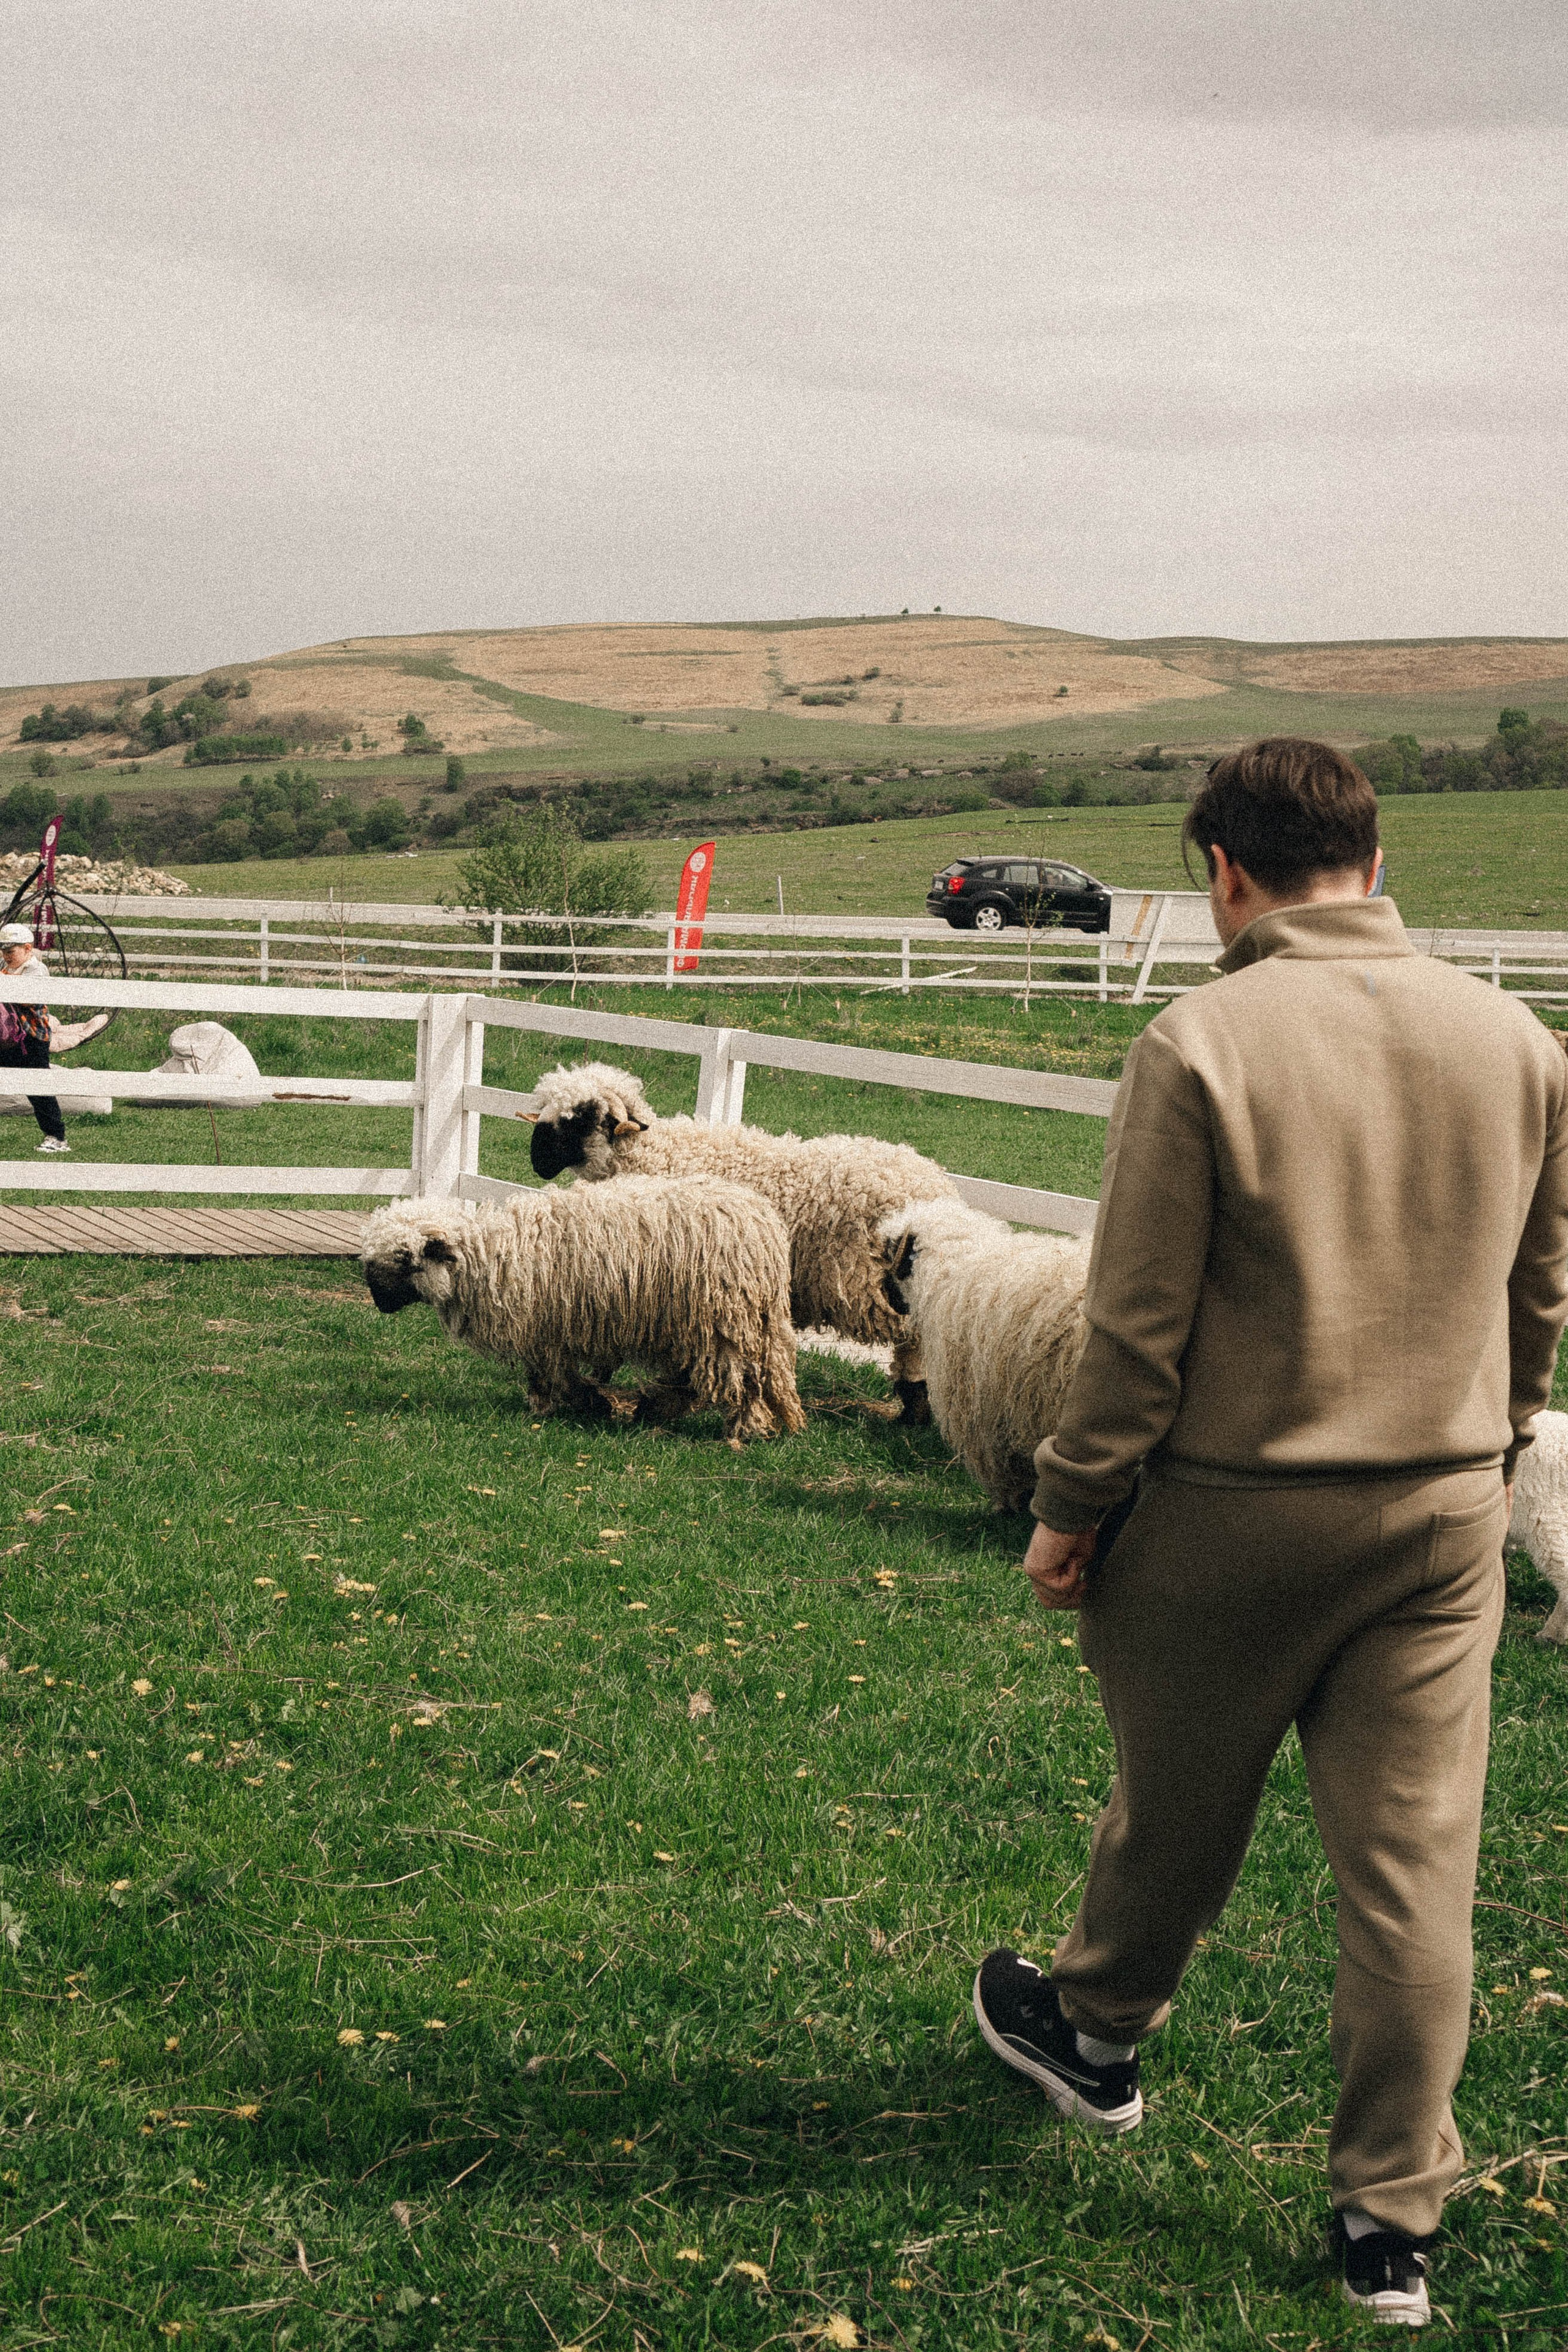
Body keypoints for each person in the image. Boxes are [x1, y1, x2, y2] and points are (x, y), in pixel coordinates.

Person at [971, 739, 1568, 2326]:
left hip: (1230, 1508)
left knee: (1176, 1806)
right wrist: (1494, 1446)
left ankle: (1093, 2036)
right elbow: (1537, 1297)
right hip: (1441, 1513)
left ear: (1223, 875)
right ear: (1373, 862)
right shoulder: (1519, 1044)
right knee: (1414, 1873)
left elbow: (1134, 1328)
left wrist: (1070, 1507)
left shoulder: (1197, 1043)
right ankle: (1389, 2227)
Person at [0, 921, 68, 1152]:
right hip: (9, 1038)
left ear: (27, 949)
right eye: (4, 951)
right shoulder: (7, 967)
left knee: (38, 1088)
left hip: (33, 1039)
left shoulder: (36, 970)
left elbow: (28, 997)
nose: (6, 956)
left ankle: (56, 1136)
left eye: (11, 951)